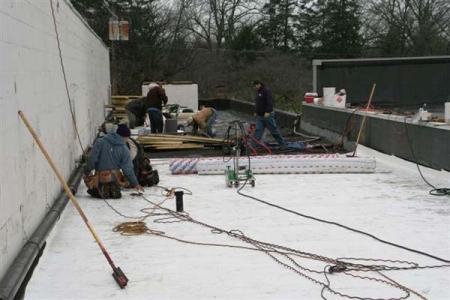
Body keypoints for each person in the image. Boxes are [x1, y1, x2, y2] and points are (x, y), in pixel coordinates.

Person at [83, 124, 144, 199]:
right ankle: (111, 189)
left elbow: (92, 159)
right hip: (115, 179)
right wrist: (135, 184)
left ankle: (102, 188)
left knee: (95, 189)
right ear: (125, 136)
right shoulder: (124, 149)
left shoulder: (100, 142)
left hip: (99, 178)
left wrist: (86, 172)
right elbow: (128, 169)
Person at [251, 79, 285, 149]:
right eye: (253, 86)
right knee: (258, 130)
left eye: (255, 85)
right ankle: (253, 146)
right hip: (260, 116)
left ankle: (282, 143)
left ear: (259, 84)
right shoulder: (258, 92)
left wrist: (268, 111)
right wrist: (256, 111)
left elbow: (269, 101)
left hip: (268, 115)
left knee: (273, 130)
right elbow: (258, 103)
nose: (254, 87)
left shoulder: (266, 91)